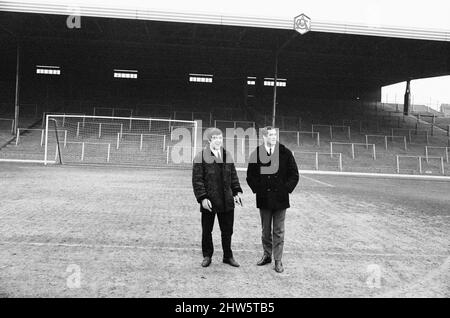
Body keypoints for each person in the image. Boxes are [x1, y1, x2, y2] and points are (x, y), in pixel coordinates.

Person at [246, 126, 299, 273]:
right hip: (264, 199)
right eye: (270, 135)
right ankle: (267, 255)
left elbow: (294, 174)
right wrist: (259, 189)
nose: (273, 137)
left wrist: (285, 189)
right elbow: (250, 176)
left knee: (279, 231)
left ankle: (278, 260)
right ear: (264, 137)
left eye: (275, 134)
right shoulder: (256, 153)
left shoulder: (285, 152)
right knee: (265, 230)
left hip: (280, 199)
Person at [192, 127, 243, 268]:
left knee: (227, 231)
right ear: (209, 140)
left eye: (220, 138)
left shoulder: (227, 155)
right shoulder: (200, 157)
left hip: (227, 201)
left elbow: (233, 176)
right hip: (210, 201)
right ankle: (207, 255)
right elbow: (197, 180)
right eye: (215, 138)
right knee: (207, 230)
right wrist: (203, 198)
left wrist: (237, 192)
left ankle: (228, 256)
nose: (219, 141)